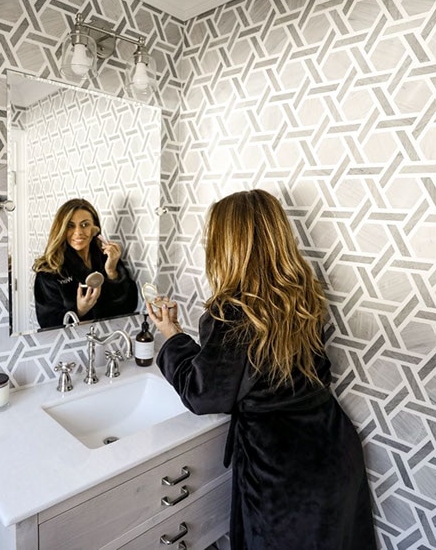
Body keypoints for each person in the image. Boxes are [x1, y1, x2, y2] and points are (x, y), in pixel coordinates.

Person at [146, 189, 377, 550]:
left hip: (283, 472)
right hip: (334, 447)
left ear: (228, 245)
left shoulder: (233, 311)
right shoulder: (302, 292)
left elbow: (203, 393)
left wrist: (172, 334)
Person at [33, 198, 137, 328]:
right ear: (61, 230)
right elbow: (47, 324)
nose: (78, 232)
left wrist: (112, 272)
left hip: (109, 338)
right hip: (74, 345)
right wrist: (80, 311)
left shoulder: (107, 259)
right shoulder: (49, 271)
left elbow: (130, 306)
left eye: (85, 224)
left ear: (95, 229)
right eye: (70, 226)